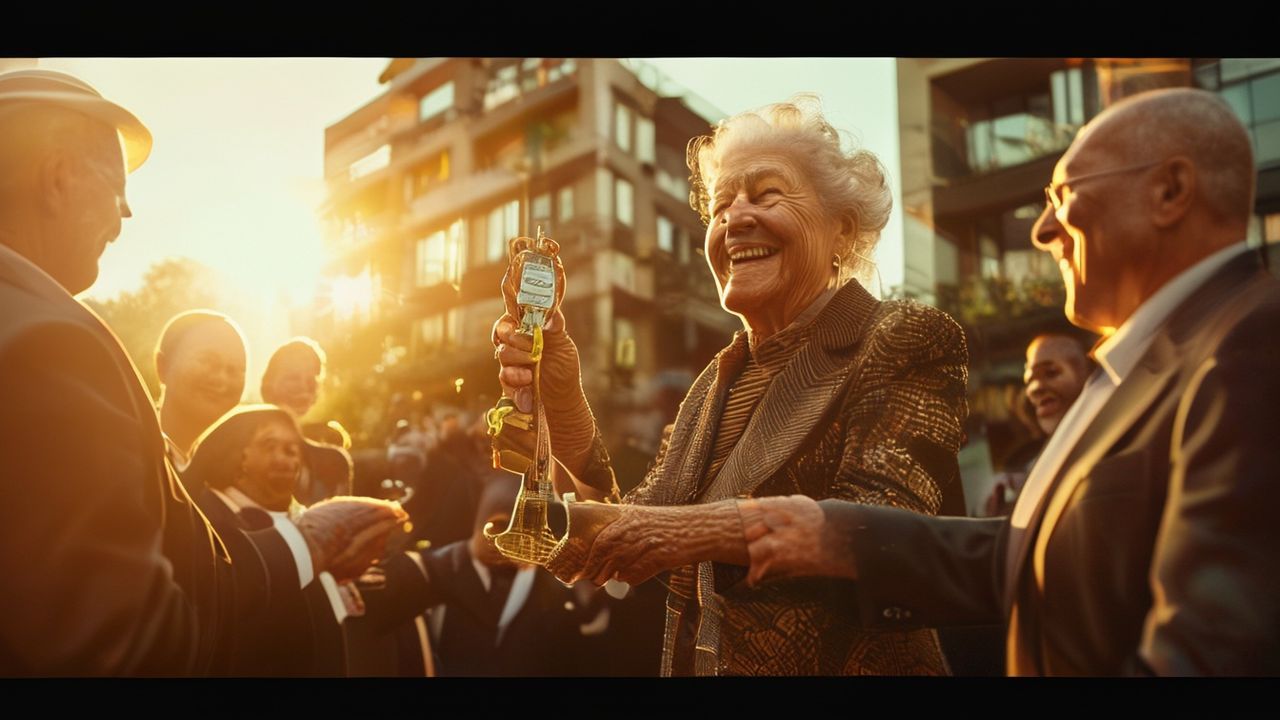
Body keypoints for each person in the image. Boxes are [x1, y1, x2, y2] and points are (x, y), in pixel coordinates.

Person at [740, 88, 1280, 676]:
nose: (1043, 230)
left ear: (1170, 192)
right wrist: (837, 534)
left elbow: (1210, 654)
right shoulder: (1152, 361)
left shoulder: (1254, 348)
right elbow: (1038, 556)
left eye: (1064, 195)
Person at [494, 96, 969, 675]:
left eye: (767, 194)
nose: (734, 219)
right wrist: (562, 397)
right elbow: (633, 529)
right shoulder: (714, 383)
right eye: (720, 207)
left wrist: (688, 532)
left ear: (841, 228)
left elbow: (886, 529)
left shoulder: (902, 336)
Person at [0, 68, 400, 675]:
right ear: (58, 178)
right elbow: (126, 645)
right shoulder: (49, 343)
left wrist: (306, 539)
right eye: (117, 185)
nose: (127, 213)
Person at [983, 333, 1093, 516]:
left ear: (1090, 375)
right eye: (1029, 380)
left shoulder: (1108, 444)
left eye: (1050, 373)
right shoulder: (1029, 463)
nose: (1035, 389)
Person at [260, 336, 353, 503]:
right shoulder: (247, 438)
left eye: (312, 379)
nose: (303, 386)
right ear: (269, 383)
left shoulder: (330, 446)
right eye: (292, 377)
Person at [154, 309, 247, 468]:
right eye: (207, 361)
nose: (221, 379)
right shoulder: (123, 448)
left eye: (234, 370)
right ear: (163, 366)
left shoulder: (252, 471)